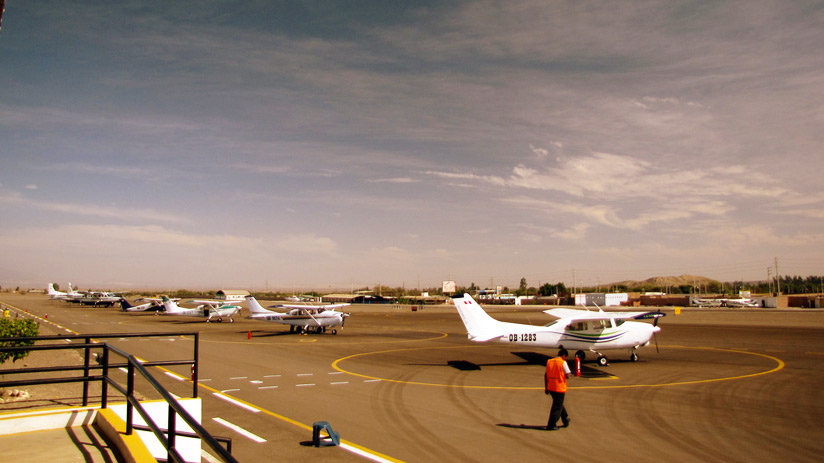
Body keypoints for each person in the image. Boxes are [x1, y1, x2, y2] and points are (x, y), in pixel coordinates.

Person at [545, 347, 571, 430]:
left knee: (559, 404)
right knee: (557, 407)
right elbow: (567, 375)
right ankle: (551, 424)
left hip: (551, 387)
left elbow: (546, 375)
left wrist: (546, 387)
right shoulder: (563, 363)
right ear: (563, 355)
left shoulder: (549, 361)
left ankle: (565, 419)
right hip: (559, 387)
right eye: (565, 356)